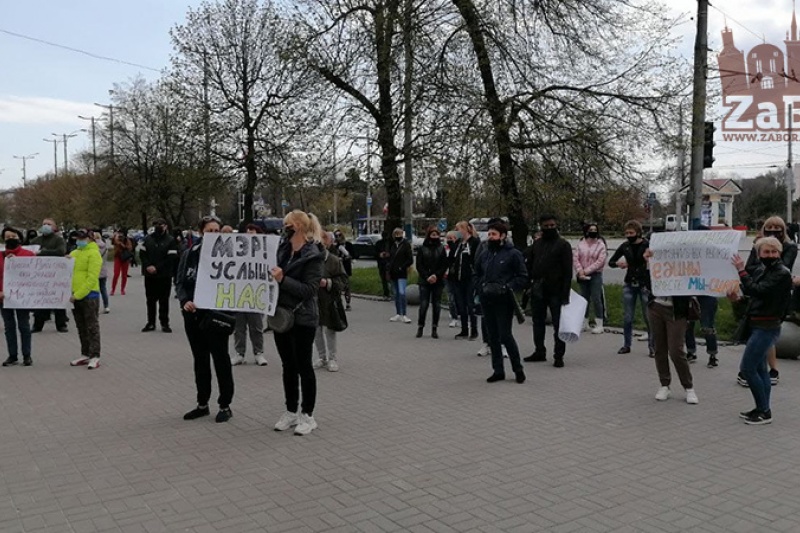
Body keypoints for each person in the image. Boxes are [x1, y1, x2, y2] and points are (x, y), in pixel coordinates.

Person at [176, 215, 235, 423]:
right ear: (201, 232)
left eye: (217, 231)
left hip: (216, 315)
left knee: (221, 359)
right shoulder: (189, 254)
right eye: (210, 231)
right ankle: (202, 403)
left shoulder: (229, 255)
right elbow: (180, 281)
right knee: (200, 360)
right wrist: (185, 301)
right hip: (193, 315)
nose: (214, 234)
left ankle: (225, 404)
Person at [271, 210, 324, 436]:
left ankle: (308, 415)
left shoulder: (313, 254)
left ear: (300, 227)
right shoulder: (282, 249)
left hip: (302, 318)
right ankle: (291, 410)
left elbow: (309, 290)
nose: (285, 229)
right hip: (282, 316)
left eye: (288, 225)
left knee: (304, 366)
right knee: (288, 366)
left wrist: (283, 279)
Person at [729, 237, 793, 425]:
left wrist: (741, 270)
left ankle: (764, 411)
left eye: (774, 252)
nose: (770, 255)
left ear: (780, 253)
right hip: (758, 324)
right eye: (766, 252)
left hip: (767, 326)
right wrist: (737, 298)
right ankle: (762, 408)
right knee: (760, 369)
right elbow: (752, 296)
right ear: (759, 254)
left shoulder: (781, 273)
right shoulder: (762, 270)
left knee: (747, 368)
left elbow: (758, 290)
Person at [738, 216, 797, 386]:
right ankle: (761, 372)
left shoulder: (788, 247)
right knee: (760, 337)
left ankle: (769, 370)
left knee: (766, 335)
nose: (772, 230)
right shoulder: (758, 246)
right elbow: (751, 267)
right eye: (769, 227)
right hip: (758, 294)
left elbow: (779, 268)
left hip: (775, 296)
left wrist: (755, 272)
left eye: (776, 227)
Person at [474, 220, 529, 383]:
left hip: (504, 300)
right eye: (489, 234)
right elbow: (476, 273)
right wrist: (480, 286)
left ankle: (518, 369)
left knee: (505, 335)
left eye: (494, 234)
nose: (491, 237)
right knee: (492, 336)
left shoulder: (513, 254)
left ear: (503, 236)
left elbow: (522, 276)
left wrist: (507, 287)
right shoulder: (485, 254)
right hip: (487, 298)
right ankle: (498, 370)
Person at [523, 214, 572, 368]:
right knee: (538, 322)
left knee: (558, 324)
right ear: (541, 226)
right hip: (538, 289)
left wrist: (565, 294)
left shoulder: (563, 245)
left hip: (556, 290)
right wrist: (528, 284)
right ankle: (539, 351)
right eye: (546, 226)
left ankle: (559, 355)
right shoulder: (537, 245)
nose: (550, 228)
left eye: (552, 225)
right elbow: (529, 265)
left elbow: (567, 271)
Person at [608, 220, 654, 357]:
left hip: (644, 284)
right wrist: (618, 264)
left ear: (638, 232)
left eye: (631, 233)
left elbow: (656, 261)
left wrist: (649, 259)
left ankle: (652, 346)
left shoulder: (647, 244)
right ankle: (626, 344)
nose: (629, 235)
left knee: (648, 317)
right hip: (629, 283)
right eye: (627, 233)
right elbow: (611, 262)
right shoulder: (625, 246)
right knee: (628, 317)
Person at [232, 223, 267, 366]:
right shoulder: (237, 251)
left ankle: (259, 353)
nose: (250, 234)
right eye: (247, 232)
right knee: (239, 327)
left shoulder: (264, 251)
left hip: (256, 294)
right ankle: (239, 353)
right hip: (240, 294)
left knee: (256, 326)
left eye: (253, 232)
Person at [68, 229, 104, 370]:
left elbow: (92, 278)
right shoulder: (74, 253)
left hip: (89, 296)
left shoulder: (94, 254)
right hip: (74, 295)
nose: (79, 240)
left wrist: (79, 294)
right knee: (81, 326)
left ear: (90, 239)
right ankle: (85, 353)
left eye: (83, 238)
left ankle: (95, 355)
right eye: (78, 238)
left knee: (92, 326)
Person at [0, 227, 35, 366]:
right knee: (9, 327)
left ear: (19, 237)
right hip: (4, 297)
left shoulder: (28, 254)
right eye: (7, 237)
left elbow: (35, 274)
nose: (10, 239)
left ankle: (27, 355)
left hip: (22, 297)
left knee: (24, 326)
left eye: (13, 236)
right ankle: (12, 355)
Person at [314, 231, 348, 371]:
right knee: (316, 330)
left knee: (329, 330)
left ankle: (332, 358)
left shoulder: (334, 260)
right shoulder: (310, 260)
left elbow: (343, 281)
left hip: (329, 300)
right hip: (314, 300)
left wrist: (328, 282)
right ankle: (322, 357)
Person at [140, 218, 179, 333]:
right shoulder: (147, 239)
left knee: (164, 300)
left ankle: (165, 323)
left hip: (164, 276)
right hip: (150, 276)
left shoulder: (170, 240)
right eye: (156, 224)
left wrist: (157, 268)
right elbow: (142, 254)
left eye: (161, 224)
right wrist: (148, 266)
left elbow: (171, 258)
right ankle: (151, 323)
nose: (158, 226)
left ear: (166, 226)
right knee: (150, 300)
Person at [31, 218, 69, 333]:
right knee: (39, 301)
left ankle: (61, 324)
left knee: (57, 300)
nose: (46, 226)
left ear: (54, 227)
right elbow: (30, 253)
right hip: (39, 276)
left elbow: (60, 252)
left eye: (49, 224)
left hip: (55, 276)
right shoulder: (35, 240)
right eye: (44, 224)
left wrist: (43, 252)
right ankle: (38, 325)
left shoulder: (58, 240)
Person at [574, 222, 607, 334]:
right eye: (590, 230)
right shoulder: (581, 244)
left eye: (595, 230)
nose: (593, 232)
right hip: (582, 275)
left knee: (596, 298)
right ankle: (584, 322)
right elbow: (576, 258)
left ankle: (599, 323)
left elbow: (600, 261)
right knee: (584, 299)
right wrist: (580, 271)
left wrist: (587, 271)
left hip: (595, 274)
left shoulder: (600, 244)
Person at [449, 221, 480, 339]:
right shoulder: (458, 243)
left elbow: (476, 259)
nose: (457, 232)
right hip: (458, 278)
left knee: (470, 304)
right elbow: (452, 258)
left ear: (465, 229)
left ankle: (474, 330)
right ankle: (464, 330)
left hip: (470, 278)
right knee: (460, 305)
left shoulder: (474, 242)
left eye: (458, 229)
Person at [415, 226, 448, 339]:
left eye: (436, 235)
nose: (435, 237)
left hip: (438, 280)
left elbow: (444, 264)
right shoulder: (422, 248)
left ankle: (434, 328)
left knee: (437, 305)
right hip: (425, 280)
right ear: (428, 235)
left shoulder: (441, 248)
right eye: (432, 235)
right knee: (423, 304)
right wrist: (426, 276)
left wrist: (436, 275)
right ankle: (420, 326)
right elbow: (419, 265)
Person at [386, 227, 414, 323]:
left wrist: (402, 267)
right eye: (396, 234)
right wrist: (388, 268)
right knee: (396, 293)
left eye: (400, 234)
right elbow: (390, 258)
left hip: (401, 273)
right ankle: (398, 313)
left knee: (402, 292)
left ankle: (404, 314)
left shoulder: (406, 245)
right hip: (393, 272)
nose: (398, 236)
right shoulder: (392, 245)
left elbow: (410, 259)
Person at [685, 296, 719, 368]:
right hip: (689, 293)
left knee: (707, 326)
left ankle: (712, 354)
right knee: (687, 324)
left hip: (707, 295)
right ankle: (690, 351)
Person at [91, 230, 111, 314]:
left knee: (94, 290)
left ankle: (95, 307)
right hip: (103, 269)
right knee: (103, 289)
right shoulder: (105, 247)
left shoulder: (93, 247)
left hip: (94, 270)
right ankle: (106, 306)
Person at [444, 231, 460, 329]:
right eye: (448, 238)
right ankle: (454, 316)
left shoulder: (458, 248)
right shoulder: (444, 249)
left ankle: (460, 313)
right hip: (447, 276)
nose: (449, 240)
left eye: (451, 238)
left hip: (457, 276)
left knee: (458, 296)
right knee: (450, 297)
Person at [334, 230, 354, 311]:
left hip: (346, 268)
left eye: (340, 235)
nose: (338, 237)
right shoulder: (336, 246)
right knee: (337, 286)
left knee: (347, 286)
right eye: (336, 236)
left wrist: (346, 257)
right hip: (337, 269)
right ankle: (338, 303)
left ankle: (348, 303)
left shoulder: (348, 245)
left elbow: (353, 255)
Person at [111, 229, 134, 296]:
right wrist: (114, 236)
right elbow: (112, 242)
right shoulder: (116, 239)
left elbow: (130, 248)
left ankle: (122, 289)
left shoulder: (127, 240)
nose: (120, 235)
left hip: (125, 258)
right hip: (117, 257)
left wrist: (122, 244)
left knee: (124, 275)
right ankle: (113, 289)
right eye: (119, 233)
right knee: (116, 274)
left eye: (121, 234)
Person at [375, 230, 392, 299]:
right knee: (384, 279)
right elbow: (375, 253)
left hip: (390, 263)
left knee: (389, 278)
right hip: (382, 263)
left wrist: (389, 254)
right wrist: (380, 255)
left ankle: (389, 293)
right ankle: (386, 293)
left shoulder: (391, 243)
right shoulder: (379, 243)